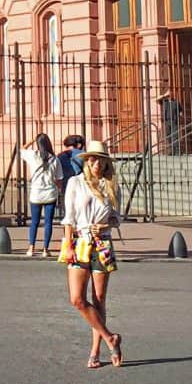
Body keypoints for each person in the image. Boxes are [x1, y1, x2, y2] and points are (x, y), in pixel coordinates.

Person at [62, 139, 124, 369]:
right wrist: (67, 244)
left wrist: (107, 225)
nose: (96, 163)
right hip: (79, 241)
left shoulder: (111, 185)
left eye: (100, 159)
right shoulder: (75, 183)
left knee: (99, 300)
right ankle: (111, 338)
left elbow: (118, 217)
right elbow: (69, 217)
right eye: (92, 159)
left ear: (106, 163)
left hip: (103, 243)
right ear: (86, 161)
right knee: (77, 299)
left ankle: (96, 350)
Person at [21, 132, 63, 258]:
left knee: (34, 221)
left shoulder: (33, 155)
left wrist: (32, 140)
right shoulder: (55, 159)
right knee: (48, 222)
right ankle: (45, 249)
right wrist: (59, 190)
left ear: (38, 144)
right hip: (50, 193)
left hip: (36, 194)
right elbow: (59, 178)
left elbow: (21, 149)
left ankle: (31, 248)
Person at [57, 134, 85, 218]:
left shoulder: (60, 156)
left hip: (65, 187)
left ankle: (68, 230)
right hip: (80, 187)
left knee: (67, 215)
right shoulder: (83, 155)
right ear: (79, 145)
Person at [158, 91, 183, 155]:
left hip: (174, 121)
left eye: (170, 94)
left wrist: (179, 116)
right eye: (168, 95)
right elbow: (157, 99)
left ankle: (177, 152)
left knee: (174, 136)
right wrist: (164, 95)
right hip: (166, 121)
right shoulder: (164, 102)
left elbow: (181, 111)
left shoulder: (176, 102)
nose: (169, 96)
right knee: (168, 136)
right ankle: (172, 150)